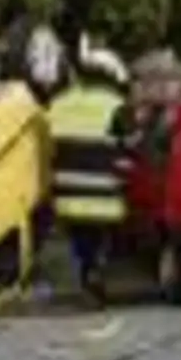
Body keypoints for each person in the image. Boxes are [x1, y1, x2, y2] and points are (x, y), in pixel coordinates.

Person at [46, 49, 134, 306]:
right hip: (104, 196)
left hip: (66, 194)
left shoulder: (58, 103)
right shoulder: (116, 107)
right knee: (103, 236)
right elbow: (130, 150)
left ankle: (87, 273)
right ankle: (97, 272)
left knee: (81, 237)